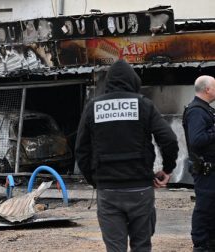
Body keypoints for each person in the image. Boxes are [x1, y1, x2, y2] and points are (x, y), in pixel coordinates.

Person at [75, 59, 179, 252]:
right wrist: (167, 169)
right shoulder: (144, 105)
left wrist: (96, 180)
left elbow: (81, 151)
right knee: (142, 246)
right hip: (140, 189)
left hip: (108, 191)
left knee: (115, 248)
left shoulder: (93, 107)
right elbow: (169, 139)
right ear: (133, 80)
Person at [182, 75, 215, 252]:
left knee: (211, 208)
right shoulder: (196, 110)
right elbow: (196, 139)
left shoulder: (206, 109)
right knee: (205, 208)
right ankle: (201, 244)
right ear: (207, 89)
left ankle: (210, 241)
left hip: (210, 169)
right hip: (205, 170)